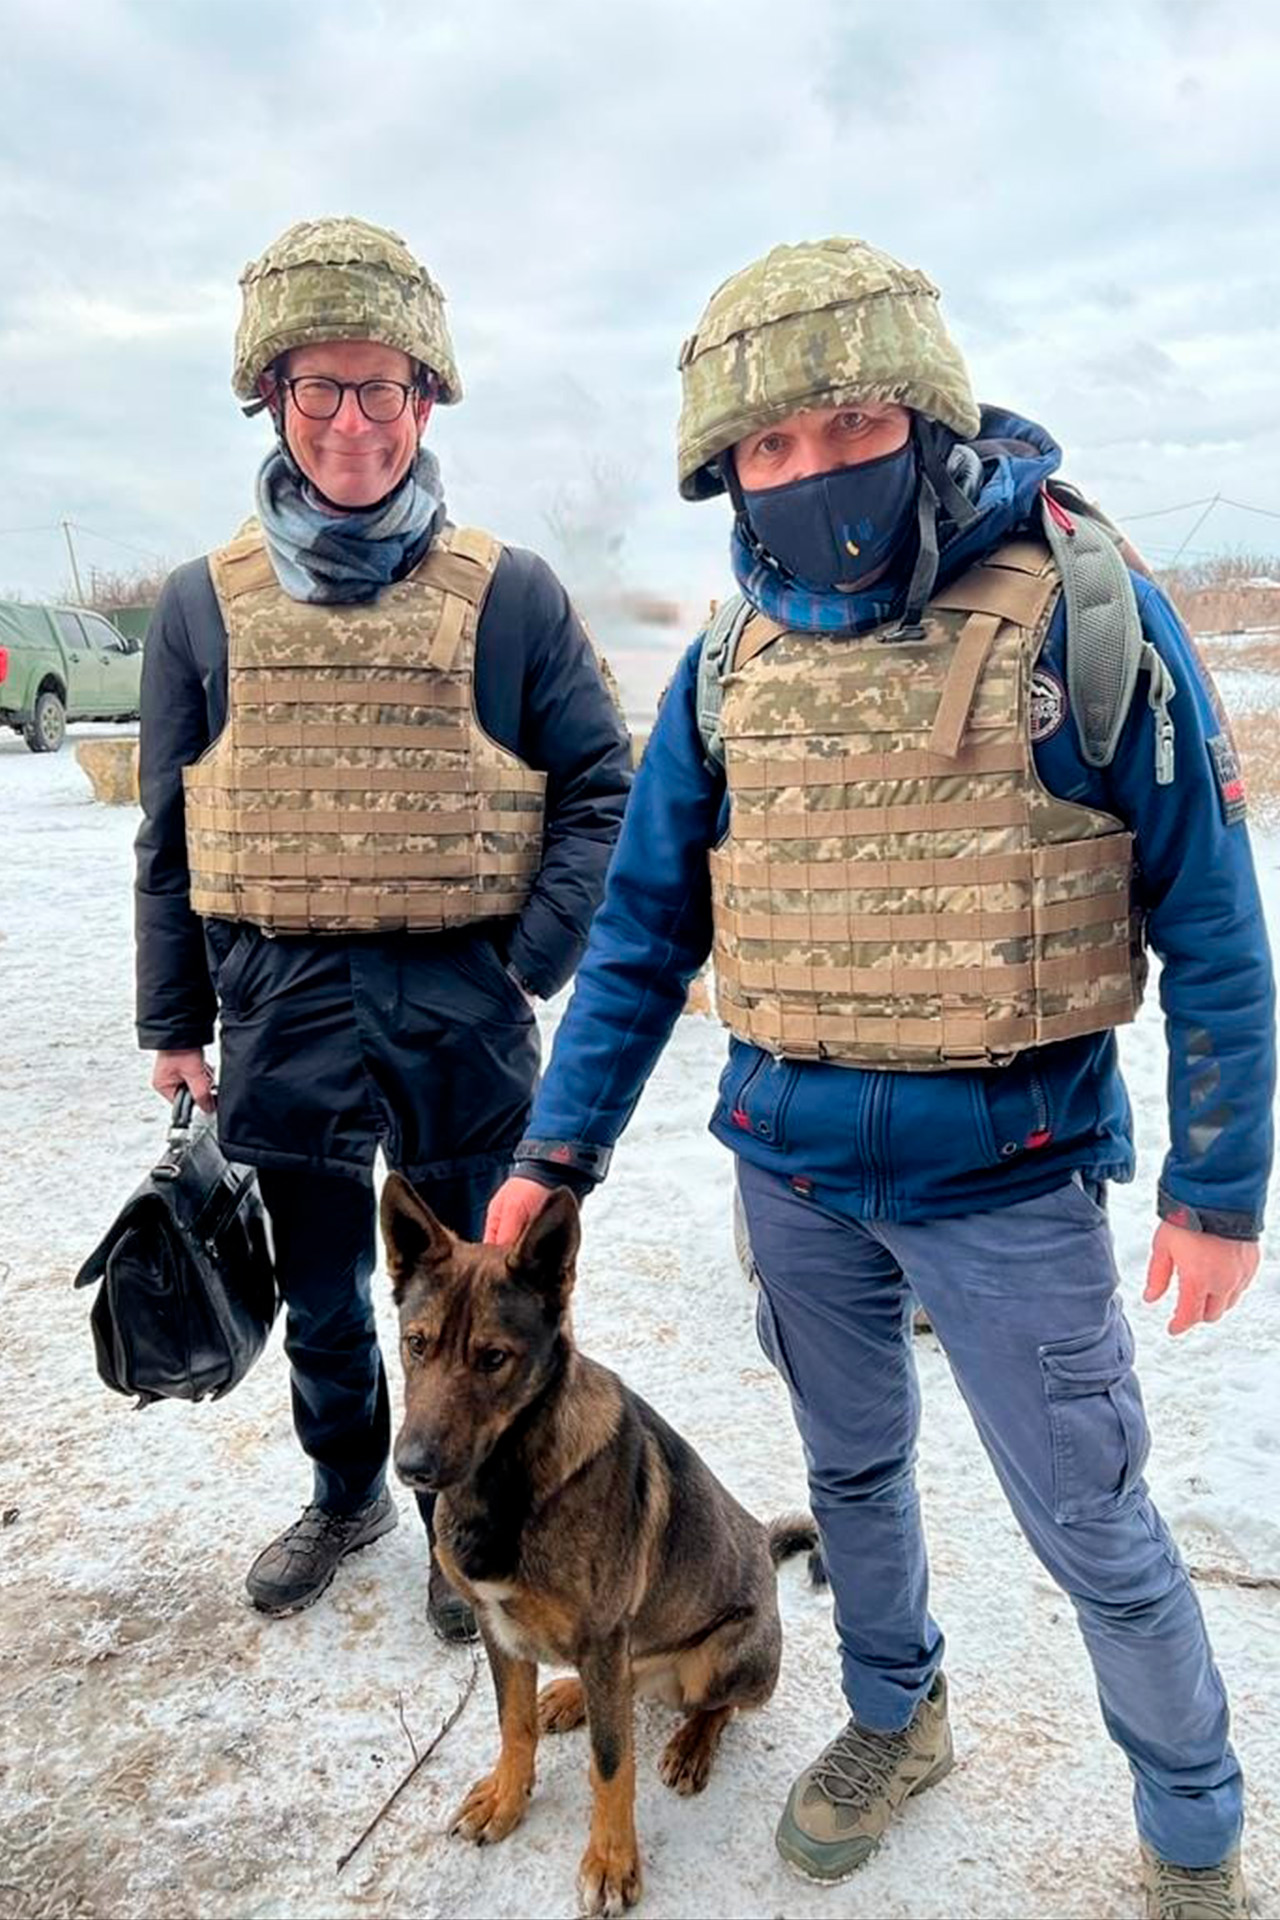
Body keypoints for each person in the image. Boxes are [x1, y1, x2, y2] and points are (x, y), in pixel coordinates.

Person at [484, 237, 1274, 1918]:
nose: (809, 471)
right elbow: (637, 938)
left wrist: (1218, 1184)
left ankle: (1195, 1832)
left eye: (844, 425)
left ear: (917, 411)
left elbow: (1211, 916)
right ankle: (893, 1715)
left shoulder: (1078, 614)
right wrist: (557, 1151)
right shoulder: (729, 669)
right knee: (849, 1480)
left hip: (1009, 1175)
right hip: (794, 1176)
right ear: (728, 472)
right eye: (766, 449)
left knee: (1095, 1528)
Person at [135, 216, 632, 1637]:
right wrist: (175, 1018)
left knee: (484, 1299)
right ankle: (349, 1487)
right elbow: (170, 831)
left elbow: (602, 784)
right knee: (327, 1292)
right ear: (274, 400)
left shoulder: (511, 593)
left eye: (383, 390)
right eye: (320, 390)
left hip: (460, 1004)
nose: (353, 422)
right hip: (282, 1001)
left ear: (427, 401)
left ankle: (467, 1517)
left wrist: (523, 958)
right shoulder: (198, 607)